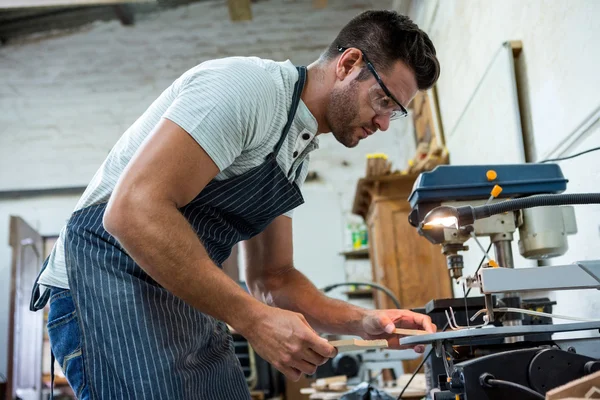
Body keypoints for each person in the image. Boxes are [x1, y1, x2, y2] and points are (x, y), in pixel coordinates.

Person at [30, 9, 441, 400]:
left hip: (177, 291)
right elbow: (132, 211)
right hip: (104, 280)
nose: (385, 122)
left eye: (396, 112)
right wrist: (254, 319)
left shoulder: (296, 152)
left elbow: (272, 277)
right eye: (383, 100)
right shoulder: (248, 89)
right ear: (349, 63)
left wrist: (365, 322)